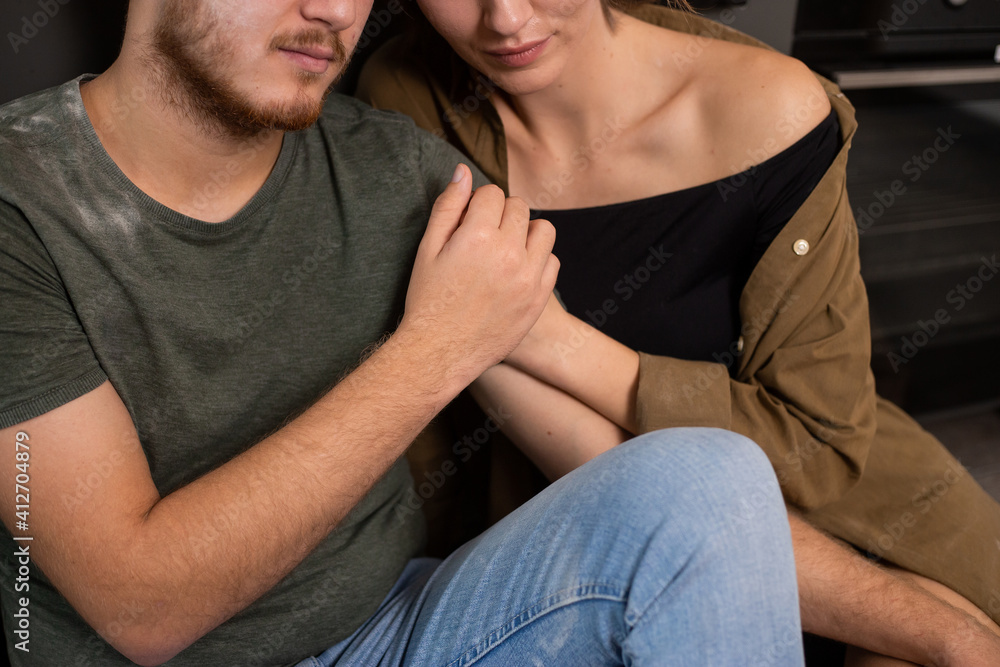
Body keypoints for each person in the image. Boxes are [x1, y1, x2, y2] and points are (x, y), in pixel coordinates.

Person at [0, 1, 809, 665]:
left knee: (709, 475)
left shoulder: (391, 169)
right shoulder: (20, 202)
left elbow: (616, 461)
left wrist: (925, 624)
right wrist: (435, 348)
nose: (335, 12)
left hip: (397, 634)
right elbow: (141, 608)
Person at [355, 0, 1000, 664]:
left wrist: (551, 338)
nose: (508, 20)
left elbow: (819, 449)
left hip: (860, 526)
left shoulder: (770, 106)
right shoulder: (407, 99)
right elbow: (622, 482)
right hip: (610, 557)